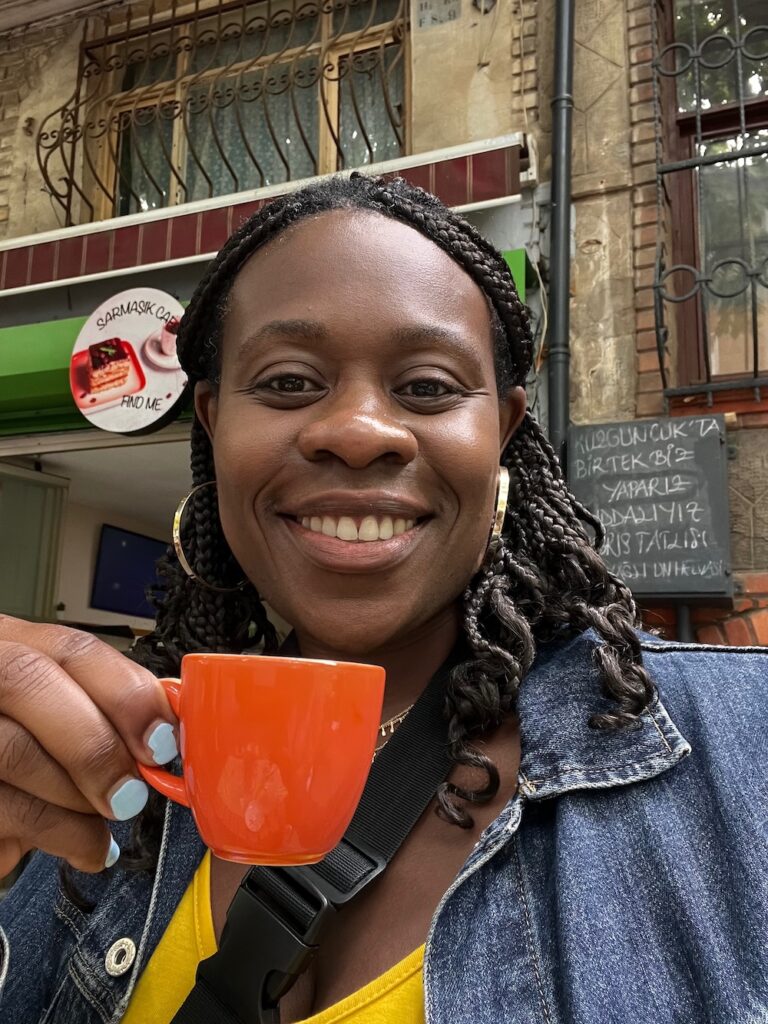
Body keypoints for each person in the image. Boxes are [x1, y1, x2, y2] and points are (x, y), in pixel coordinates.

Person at [0, 173, 766, 1024]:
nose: (360, 432)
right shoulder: (101, 766)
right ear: (213, 424)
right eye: (289, 382)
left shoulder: (745, 749)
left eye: (429, 386)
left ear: (504, 432)